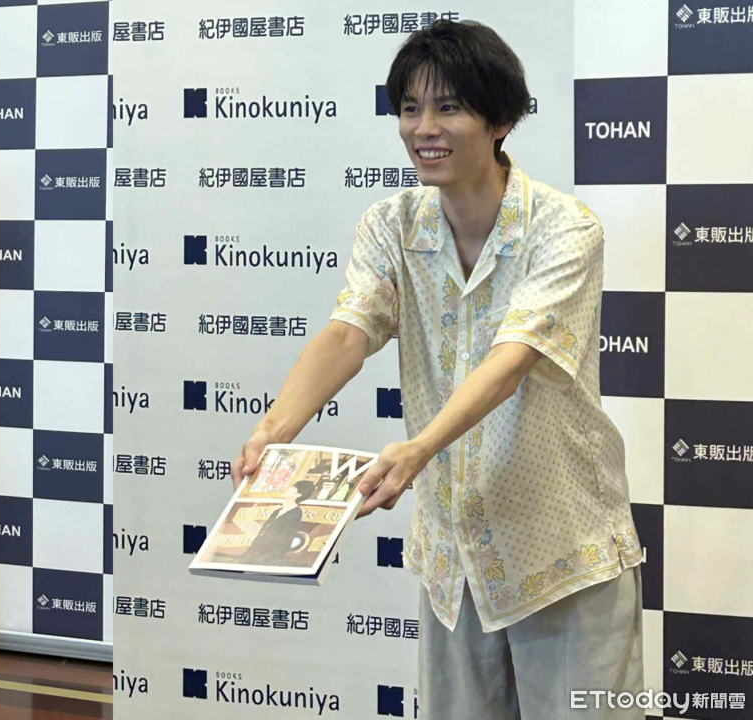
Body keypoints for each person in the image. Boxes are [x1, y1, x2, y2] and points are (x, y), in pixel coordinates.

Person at [231, 20, 644, 719]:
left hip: (564, 558)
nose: (424, 128)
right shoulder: (390, 225)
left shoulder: (564, 228)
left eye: (448, 107)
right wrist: (273, 430)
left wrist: (418, 448)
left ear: (501, 120)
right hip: (456, 564)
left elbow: (511, 362)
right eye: (410, 108)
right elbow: (349, 331)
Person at [241, 480, 315, 566]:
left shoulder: (295, 513)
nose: (288, 488)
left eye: (293, 488)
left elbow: (283, 540)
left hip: (269, 558)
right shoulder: (277, 511)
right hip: (254, 554)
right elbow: (263, 533)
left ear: (298, 495)